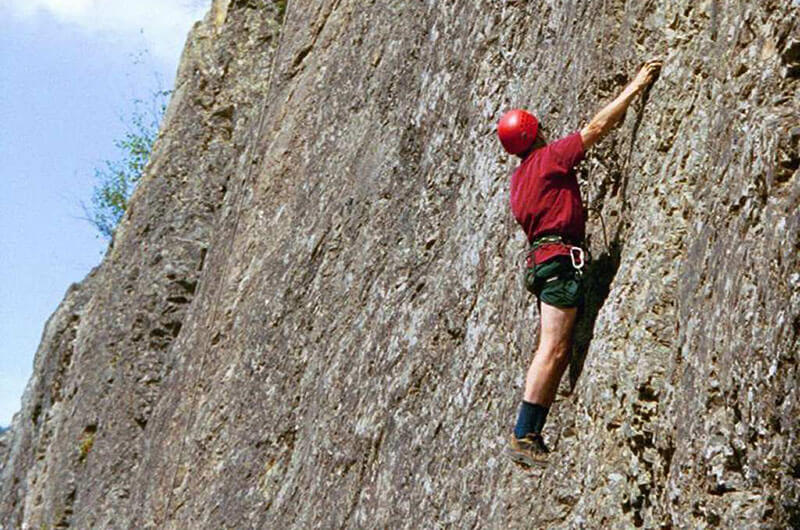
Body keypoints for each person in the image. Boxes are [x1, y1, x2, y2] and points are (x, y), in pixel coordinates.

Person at [498, 60, 662, 467]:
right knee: (553, 348)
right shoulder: (550, 159)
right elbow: (595, 129)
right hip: (558, 263)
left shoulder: (519, 181)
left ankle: (528, 430)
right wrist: (635, 87)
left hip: (545, 262)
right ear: (534, 133)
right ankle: (524, 432)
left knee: (553, 346)